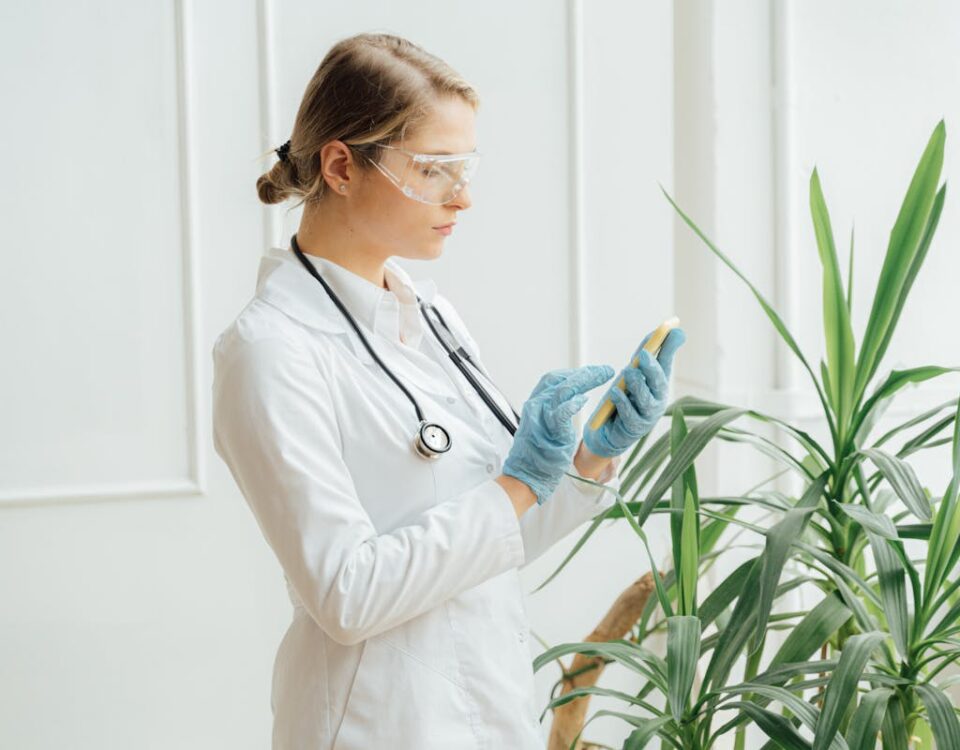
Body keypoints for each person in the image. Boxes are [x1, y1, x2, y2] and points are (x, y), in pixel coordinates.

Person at [211, 31, 685, 750]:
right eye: (434, 170)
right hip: (376, 725)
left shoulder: (429, 316)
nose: (462, 197)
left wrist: (587, 459)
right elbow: (346, 594)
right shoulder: (270, 352)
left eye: (464, 167)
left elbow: (496, 540)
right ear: (342, 165)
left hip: (487, 709)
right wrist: (520, 483)